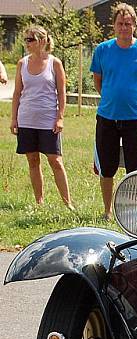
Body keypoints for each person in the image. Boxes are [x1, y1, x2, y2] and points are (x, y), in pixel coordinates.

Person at [90, 3, 137, 221]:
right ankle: (108, 211)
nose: (124, 28)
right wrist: (113, 98)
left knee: (135, 170)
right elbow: (98, 82)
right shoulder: (102, 50)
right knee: (107, 167)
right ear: (114, 25)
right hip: (107, 117)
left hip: (134, 119)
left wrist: (133, 98)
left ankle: (131, 211)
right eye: (120, 24)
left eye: (128, 24)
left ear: (134, 25)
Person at [10, 26, 73, 210]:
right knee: (33, 160)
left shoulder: (55, 63)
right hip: (26, 119)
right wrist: (14, 119)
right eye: (26, 40)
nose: (27, 43)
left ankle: (68, 203)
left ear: (42, 41)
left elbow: (62, 94)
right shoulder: (22, 63)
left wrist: (60, 117)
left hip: (48, 121)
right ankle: (39, 202)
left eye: (31, 39)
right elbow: (17, 93)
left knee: (55, 160)